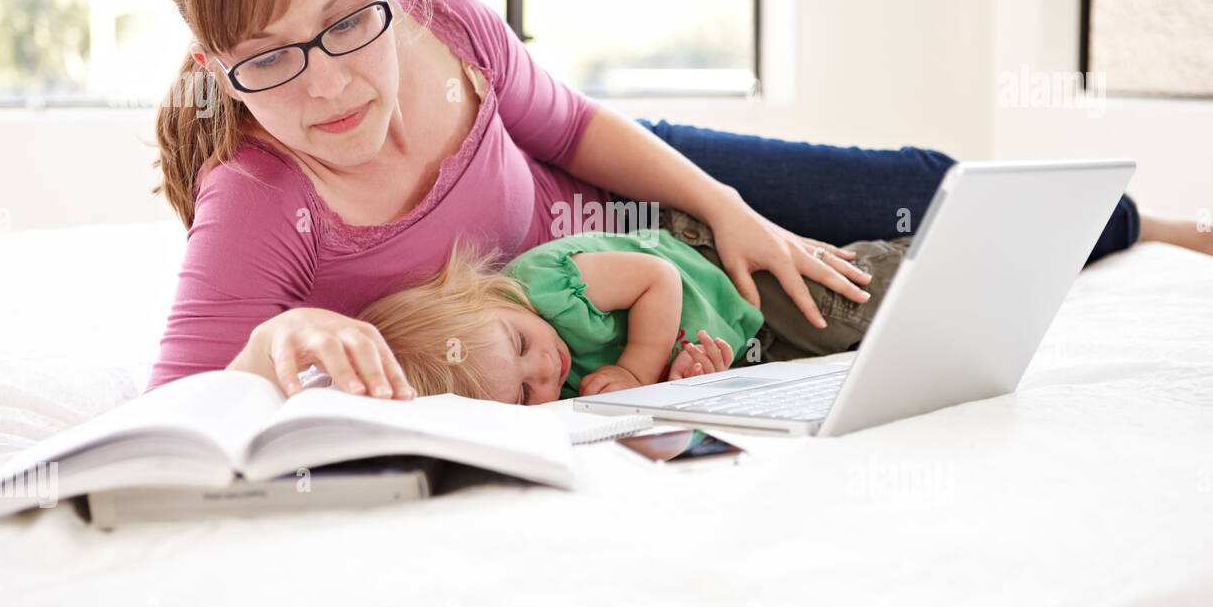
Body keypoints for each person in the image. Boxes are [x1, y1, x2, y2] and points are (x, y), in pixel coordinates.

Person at [148, 0, 1213, 401]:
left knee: (917, 181)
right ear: (217, 69)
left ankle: (1132, 220)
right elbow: (169, 411)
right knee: (865, 285)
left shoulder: (447, 28)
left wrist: (726, 207)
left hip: (637, 200)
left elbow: (576, 126)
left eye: (348, 21)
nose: (330, 83)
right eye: (269, 58)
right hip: (604, 282)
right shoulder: (261, 205)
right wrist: (264, 347)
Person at [321, 207, 911, 405]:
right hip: (740, 338)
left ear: (479, 294)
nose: (545, 370)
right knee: (843, 367)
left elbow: (657, 281)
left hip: (722, 276)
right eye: (525, 393)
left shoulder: (545, 284)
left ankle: (929, 250)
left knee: (845, 312)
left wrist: (636, 369)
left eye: (519, 346)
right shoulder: (561, 401)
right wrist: (680, 378)